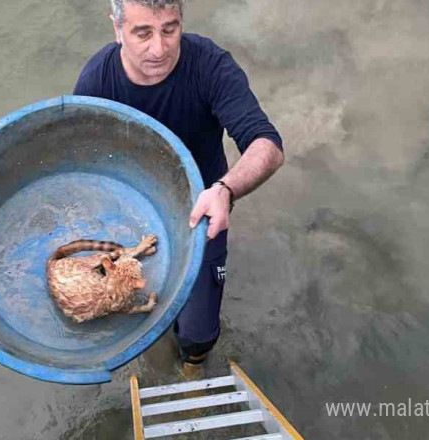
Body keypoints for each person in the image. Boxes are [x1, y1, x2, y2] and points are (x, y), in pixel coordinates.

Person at [73, 0, 284, 377]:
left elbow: (266, 144)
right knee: (138, 309)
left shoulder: (210, 66)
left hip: (202, 208)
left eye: (170, 29)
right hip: (131, 211)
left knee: (199, 329)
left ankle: (193, 364)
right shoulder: (97, 80)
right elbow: (82, 160)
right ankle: (157, 347)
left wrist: (226, 189)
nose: (159, 48)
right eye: (143, 33)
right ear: (117, 28)